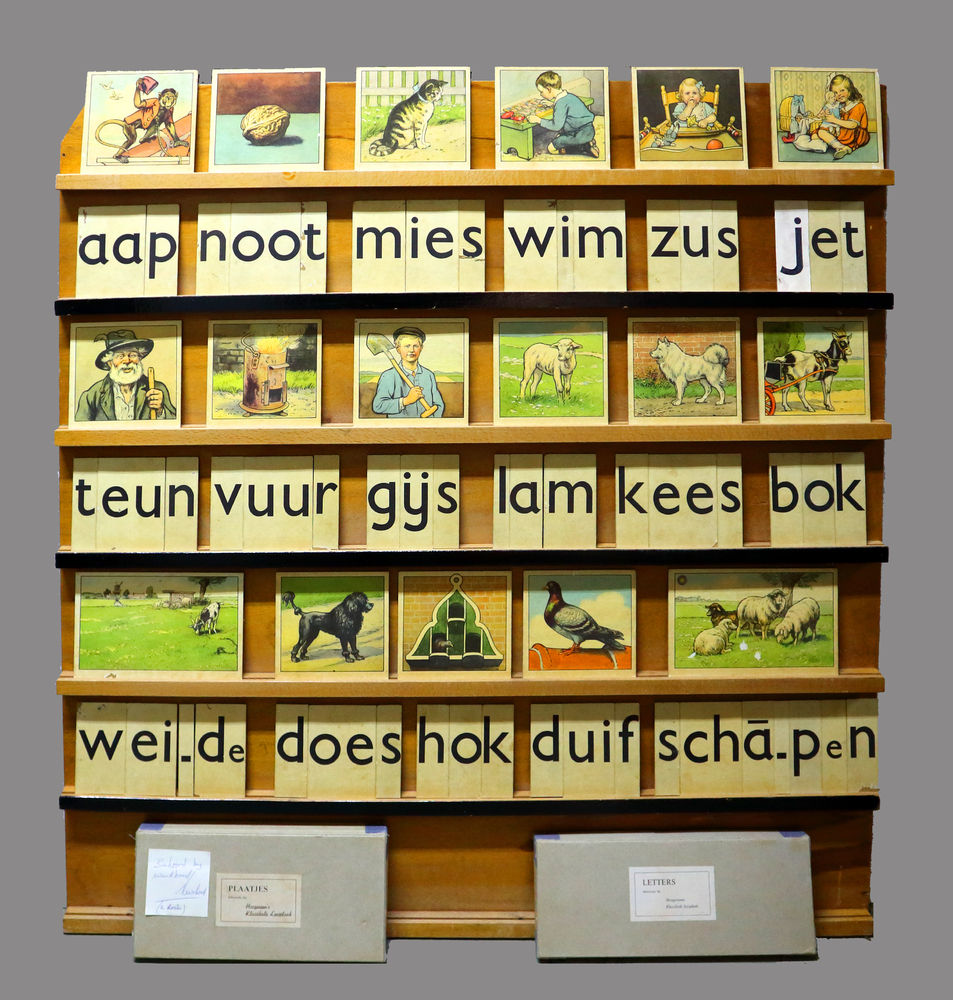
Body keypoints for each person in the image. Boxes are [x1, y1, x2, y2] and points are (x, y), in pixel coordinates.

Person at [74, 329, 176, 421]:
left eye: (132, 355)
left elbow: (175, 422)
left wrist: (160, 411)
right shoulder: (92, 395)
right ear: (110, 363)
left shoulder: (157, 389)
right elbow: (79, 430)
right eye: (120, 356)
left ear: (139, 359)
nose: (127, 361)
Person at [370, 327, 445, 418]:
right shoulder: (388, 376)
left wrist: (433, 419)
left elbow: (439, 405)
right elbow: (378, 406)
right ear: (398, 349)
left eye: (415, 346)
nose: (411, 350)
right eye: (407, 346)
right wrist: (406, 400)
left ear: (421, 348)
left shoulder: (428, 375)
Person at [794, 74, 869, 160]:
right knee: (818, 133)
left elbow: (853, 125)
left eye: (842, 90)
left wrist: (834, 120)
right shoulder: (841, 105)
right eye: (835, 93)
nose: (839, 94)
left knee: (821, 133)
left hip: (855, 134)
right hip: (843, 130)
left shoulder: (857, 105)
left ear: (850, 90)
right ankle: (842, 148)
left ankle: (840, 146)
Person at [526, 71, 599, 157]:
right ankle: (586, 143)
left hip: (577, 134)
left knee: (551, 148)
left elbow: (556, 126)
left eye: (541, 91)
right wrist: (554, 105)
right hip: (589, 130)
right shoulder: (569, 96)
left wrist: (539, 120)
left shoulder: (560, 104)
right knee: (559, 136)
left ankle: (583, 148)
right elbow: (567, 107)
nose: (541, 94)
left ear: (549, 89)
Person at [114, 79, 188, 162]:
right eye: (167, 98)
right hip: (131, 123)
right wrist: (138, 89)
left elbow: (169, 125)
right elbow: (138, 104)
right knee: (131, 140)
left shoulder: (169, 110)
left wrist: (177, 140)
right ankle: (117, 155)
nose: (169, 101)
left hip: (147, 124)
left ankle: (144, 138)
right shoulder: (155, 102)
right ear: (160, 96)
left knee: (156, 125)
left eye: (171, 98)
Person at [652, 78, 718, 147]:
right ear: (682, 96)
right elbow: (682, 118)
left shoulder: (703, 106)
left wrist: (706, 120)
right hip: (682, 135)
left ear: (700, 95)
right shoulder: (680, 106)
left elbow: (713, 117)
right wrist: (689, 107)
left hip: (701, 135)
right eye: (687, 93)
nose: (691, 96)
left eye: (694, 93)